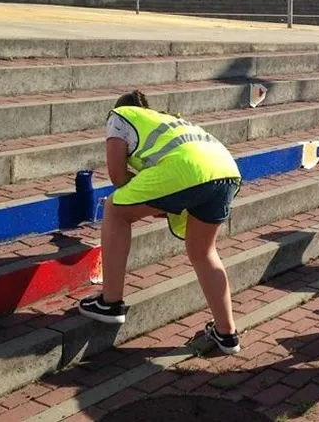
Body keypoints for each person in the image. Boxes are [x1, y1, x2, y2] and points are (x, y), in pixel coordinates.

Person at [79, 90, 242, 355]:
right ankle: (227, 333)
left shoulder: (120, 116)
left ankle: (110, 302)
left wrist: (149, 199)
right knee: (203, 251)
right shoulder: (167, 121)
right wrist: (159, 199)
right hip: (226, 170)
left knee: (115, 208)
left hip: (188, 169)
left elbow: (117, 176)